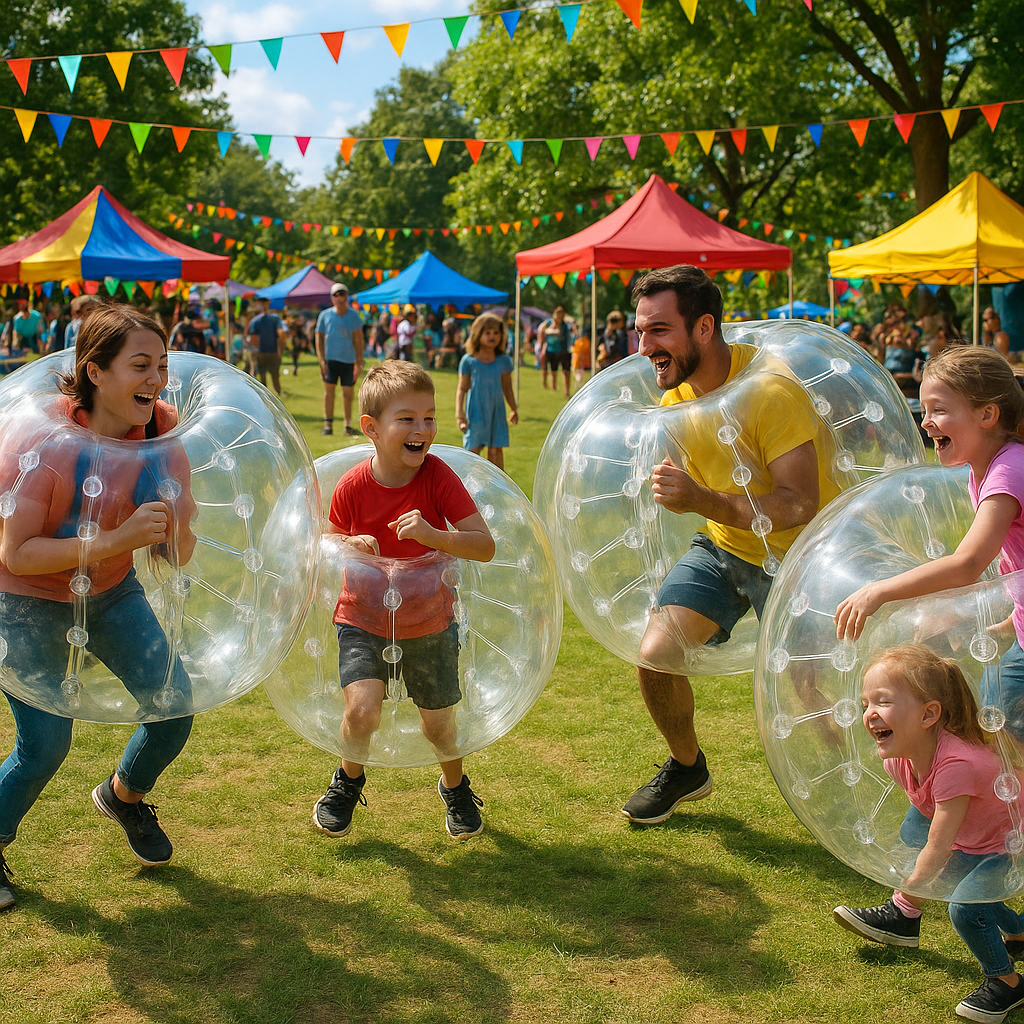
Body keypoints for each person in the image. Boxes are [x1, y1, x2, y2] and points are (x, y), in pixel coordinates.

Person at [621, 264, 838, 824]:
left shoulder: (770, 391)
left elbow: (798, 502)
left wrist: (703, 500)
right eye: (641, 331)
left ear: (703, 328)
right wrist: (698, 501)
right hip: (725, 547)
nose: (645, 346)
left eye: (659, 331)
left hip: (802, 557)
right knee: (656, 655)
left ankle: (877, 796)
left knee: (812, 694)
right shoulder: (675, 401)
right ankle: (687, 765)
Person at [0, 304, 197, 911]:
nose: (156, 379)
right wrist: (115, 540)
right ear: (95, 371)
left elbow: (179, 554)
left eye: (161, 365)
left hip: (110, 592)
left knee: (174, 707)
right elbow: (16, 552)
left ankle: (124, 795)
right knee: (46, 744)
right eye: (140, 365)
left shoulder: (164, 435)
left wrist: (177, 514)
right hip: (23, 599)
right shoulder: (46, 442)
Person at [312, 361, 495, 841]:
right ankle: (348, 781)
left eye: (430, 418)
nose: (422, 430)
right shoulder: (352, 485)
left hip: (429, 618)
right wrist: (346, 546)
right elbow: (326, 544)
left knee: (439, 726)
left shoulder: (438, 478)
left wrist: (433, 533)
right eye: (407, 419)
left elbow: (484, 544)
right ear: (372, 429)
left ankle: (455, 787)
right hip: (363, 616)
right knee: (362, 711)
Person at [837, 347, 1024, 740]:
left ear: (987, 415)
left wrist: (880, 592)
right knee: (993, 742)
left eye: (938, 410)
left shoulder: (1008, 471)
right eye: (923, 411)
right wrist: (1008, 623)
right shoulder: (988, 470)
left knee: (993, 744)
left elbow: (968, 563)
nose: (926, 424)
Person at [833, 646, 1024, 1024]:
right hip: (984, 835)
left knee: (966, 908)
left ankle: (1007, 981)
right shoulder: (898, 760)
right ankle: (1019, 931)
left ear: (929, 714)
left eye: (883, 702)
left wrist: (906, 897)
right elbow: (927, 819)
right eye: (865, 703)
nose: (869, 714)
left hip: (1015, 842)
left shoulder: (957, 765)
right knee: (953, 873)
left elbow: (938, 847)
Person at [455, 312, 518, 471]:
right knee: (473, 450)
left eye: (496, 333)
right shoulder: (469, 361)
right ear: (477, 334)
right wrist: (459, 414)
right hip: (476, 411)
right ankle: (469, 486)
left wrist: (514, 408)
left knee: (496, 451)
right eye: (487, 332)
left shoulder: (504, 361)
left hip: (496, 411)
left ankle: (496, 487)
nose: (492, 336)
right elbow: (462, 389)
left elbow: (507, 387)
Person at [315, 283, 365, 437]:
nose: (339, 298)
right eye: (336, 295)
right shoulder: (325, 315)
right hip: (330, 359)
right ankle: (328, 424)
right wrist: (321, 359)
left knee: (348, 393)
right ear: (332, 298)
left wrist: (359, 360)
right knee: (329, 392)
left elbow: (358, 339)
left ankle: (348, 425)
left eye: (342, 294)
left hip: (348, 360)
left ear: (347, 296)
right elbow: (319, 337)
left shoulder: (353, 315)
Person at [246, 298, 284, 396]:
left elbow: (252, 338)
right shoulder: (275, 318)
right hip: (273, 351)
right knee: (275, 376)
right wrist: (280, 350)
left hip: (260, 352)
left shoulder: (254, 320)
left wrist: (254, 351)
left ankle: (265, 397)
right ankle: (278, 393)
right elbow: (280, 335)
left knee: (262, 377)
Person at [537, 305, 572, 396]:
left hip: (563, 350)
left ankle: (566, 391)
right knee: (553, 370)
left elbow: (558, 333)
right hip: (551, 350)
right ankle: (553, 388)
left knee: (566, 371)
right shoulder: (548, 322)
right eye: (558, 312)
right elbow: (541, 329)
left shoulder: (564, 325)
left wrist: (547, 331)